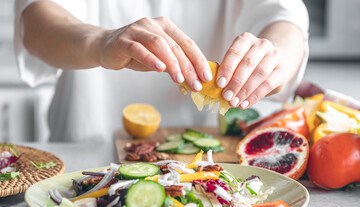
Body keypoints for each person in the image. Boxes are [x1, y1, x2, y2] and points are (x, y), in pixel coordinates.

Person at [14, 0, 309, 145]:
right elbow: (37, 20)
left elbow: (284, 17)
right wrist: (101, 42)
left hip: (207, 163)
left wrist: (274, 56)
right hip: (84, 151)